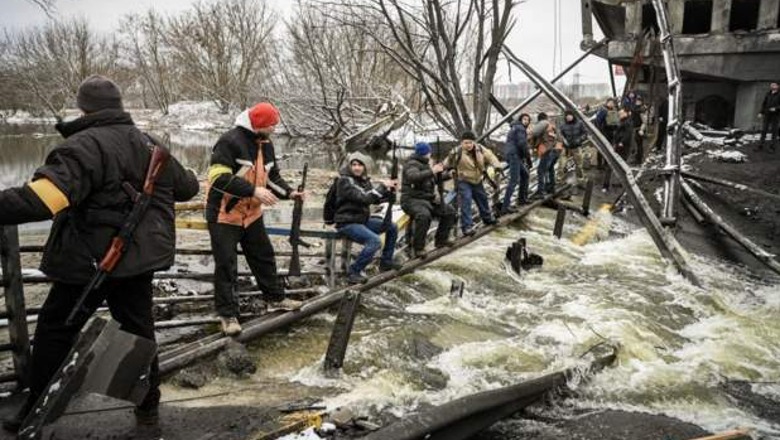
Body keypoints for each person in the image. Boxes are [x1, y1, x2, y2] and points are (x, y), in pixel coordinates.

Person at [0, 75, 200, 432]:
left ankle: (36, 407)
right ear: (119, 105)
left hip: (89, 262)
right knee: (140, 330)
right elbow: (186, 188)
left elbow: (44, 199)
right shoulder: (149, 142)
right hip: (138, 262)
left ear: (84, 108)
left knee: (55, 330)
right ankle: (148, 409)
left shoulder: (82, 146)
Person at [206, 102, 304, 336]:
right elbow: (217, 178)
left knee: (263, 256)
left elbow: (271, 177)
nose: (274, 128)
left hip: (251, 214)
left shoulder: (266, 143)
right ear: (259, 125)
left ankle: (275, 298)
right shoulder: (229, 141)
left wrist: (290, 192)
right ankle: (228, 315)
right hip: (224, 214)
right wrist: (252, 191)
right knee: (226, 265)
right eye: (271, 125)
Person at [334, 152, 401, 284]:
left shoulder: (364, 181)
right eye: (354, 165)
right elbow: (364, 198)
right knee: (375, 241)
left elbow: (374, 200)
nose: (357, 168)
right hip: (347, 222)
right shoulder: (345, 181)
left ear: (364, 167)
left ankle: (386, 262)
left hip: (361, 220)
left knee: (392, 227)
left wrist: (389, 192)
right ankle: (353, 271)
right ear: (350, 166)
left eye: (360, 165)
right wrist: (382, 186)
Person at [400, 142, 456, 258]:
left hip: (426, 199)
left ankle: (441, 240)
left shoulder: (424, 164)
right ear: (426, 153)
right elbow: (413, 177)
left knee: (449, 211)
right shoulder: (412, 164)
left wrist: (448, 175)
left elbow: (432, 179)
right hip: (412, 199)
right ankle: (418, 248)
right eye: (429, 152)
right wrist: (433, 170)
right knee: (424, 215)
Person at [445, 131, 501, 236]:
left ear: (473, 142)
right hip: (463, 180)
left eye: (470, 142)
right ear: (462, 143)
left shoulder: (479, 148)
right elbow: (446, 163)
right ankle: (467, 227)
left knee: (482, 198)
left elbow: (491, 156)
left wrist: (497, 166)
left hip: (477, 179)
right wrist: (445, 171)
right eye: (466, 143)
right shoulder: (456, 152)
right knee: (466, 200)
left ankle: (487, 218)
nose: (468, 145)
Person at [501, 114, 532, 214]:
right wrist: (528, 158)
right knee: (514, 180)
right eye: (524, 119)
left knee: (525, 175)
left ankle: (522, 199)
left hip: (514, 155)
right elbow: (522, 144)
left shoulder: (515, 127)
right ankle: (505, 206)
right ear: (520, 120)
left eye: (528, 120)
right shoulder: (520, 128)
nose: (526, 121)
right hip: (514, 155)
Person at [531, 113, 563, 197]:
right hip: (557, 150)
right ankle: (551, 188)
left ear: (539, 119)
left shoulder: (543, 123)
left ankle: (541, 191)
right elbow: (560, 138)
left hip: (549, 150)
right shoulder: (552, 126)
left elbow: (533, 133)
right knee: (550, 169)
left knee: (541, 170)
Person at [602, 107, 634, 192]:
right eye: (619, 113)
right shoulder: (621, 121)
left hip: (622, 147)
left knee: (618, 165)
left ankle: (613, 184)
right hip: (617, 145)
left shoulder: (628, 122)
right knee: (614, 165)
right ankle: (607, 184)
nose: (620, 114)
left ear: (626, 113)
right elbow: (612, 127)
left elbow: (628, 134)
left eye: (621, 113)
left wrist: (622, 142)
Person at [558, 110, 587, 185]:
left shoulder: (579, 123)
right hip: (566, 148)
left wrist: (579, 139)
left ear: (573, 116)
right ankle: (560, 181)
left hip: (576, 147)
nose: (568, 117)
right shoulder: (563, 125)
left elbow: (585, 133)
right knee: (562, 164)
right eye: (567, 116)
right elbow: (560, 134)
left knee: (579, 165)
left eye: (570, 115)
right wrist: (562, 139)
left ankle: (581, 181)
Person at [595, 98, 619, 168]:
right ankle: (599, 164)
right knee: (601, 148)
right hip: (604, 132)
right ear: (607, 103)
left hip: (611, 132)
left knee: (609, 148)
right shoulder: (603, 110)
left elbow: (616, 121)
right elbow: (598, 121)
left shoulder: (613, 110)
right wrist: (599, 131)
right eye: (610, 102)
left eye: (613, 103)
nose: (612, 104)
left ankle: (606, 163)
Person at [757, 82, 780, 152]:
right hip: (767, 114)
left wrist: (776, 108)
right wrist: (761, 112)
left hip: (775, 115)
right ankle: (760, 146)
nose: (772, 86)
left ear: (778, 86)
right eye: (771, 85)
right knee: (764, 130)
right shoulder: (768, 94)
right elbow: (764, 104)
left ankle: (772, 147)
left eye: (774, 85)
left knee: (774, 131)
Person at [631, 96, 649, 164]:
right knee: (637, 145)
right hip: (636, 128)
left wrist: (641, 129)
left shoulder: (641, 109)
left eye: (639, 101)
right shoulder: (638, 108)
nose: (637, 102)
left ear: (641, 101)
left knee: (639, 145)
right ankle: (637, 159)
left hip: (639, 128)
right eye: (637, 100)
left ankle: (639, 160)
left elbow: (644, 121)